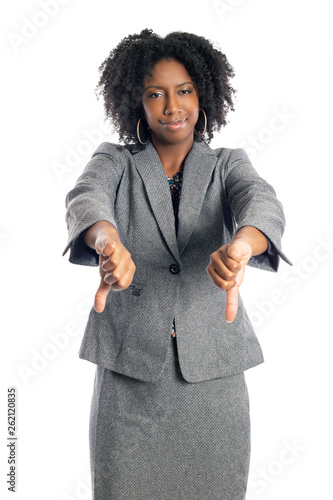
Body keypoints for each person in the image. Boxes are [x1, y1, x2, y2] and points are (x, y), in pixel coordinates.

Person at [63, 29, 291, 500]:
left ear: (203, 94)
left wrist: (243, 246)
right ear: (136, 103)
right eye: (156, 94)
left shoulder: (229, 163)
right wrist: (107, 243)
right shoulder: (115, 161)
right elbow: (87, 198)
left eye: (184, 90)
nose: (172, 106)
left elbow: (259, 200)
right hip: (129, 376)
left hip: (214, 377)